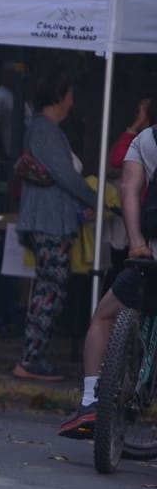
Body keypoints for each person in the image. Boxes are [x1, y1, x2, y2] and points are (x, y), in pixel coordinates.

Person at [62, 120, 157, 437]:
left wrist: (137, 242)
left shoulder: (147, 138)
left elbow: (128, 188)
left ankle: (90, 401)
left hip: (151, 256)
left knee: (104, 315)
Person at [13, 74, 92, 382]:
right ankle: (31, 358)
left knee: (49, 287)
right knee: (49, 289)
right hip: (49, 222)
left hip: (51, 219)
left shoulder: (44, 129)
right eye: (70, 95)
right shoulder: (45, 130)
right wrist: (97, 199)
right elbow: (65, 175)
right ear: (59, 97)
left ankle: (33, 355)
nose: (72, 102)